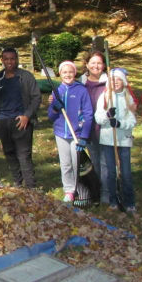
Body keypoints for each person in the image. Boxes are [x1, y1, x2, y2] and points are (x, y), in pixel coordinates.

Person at [0, 48, 42, 188]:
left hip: (21, 121)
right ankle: (17, 183)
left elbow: (36, 97)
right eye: (6, 59)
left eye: (12, 58)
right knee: (9, 153)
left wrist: (27, 115)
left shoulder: (25, 77)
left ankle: (31, 187)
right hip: (2, 121)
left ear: (17, 59)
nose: (9, 62)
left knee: (23, 155)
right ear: (2, 60)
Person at [47, 60, 94, 203]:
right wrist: (54, 107)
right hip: (61, 133)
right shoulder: (57, 91)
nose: (68, 75)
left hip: (77, 134)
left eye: (70, 72)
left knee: (76, 163)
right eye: (64, 72)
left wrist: (84, 135)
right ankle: (69, 190)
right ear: (60, 74)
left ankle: (79, 188)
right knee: (65, 164)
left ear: (75, 73)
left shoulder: (81, 90)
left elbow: (88, 113)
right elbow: (51, 116)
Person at [94, 68, 137, 212]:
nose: (115, 82)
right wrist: (107, 115)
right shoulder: (105, 97)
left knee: (125, 173)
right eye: (112, 80)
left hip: (123, 139)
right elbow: (98, 118)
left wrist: (120, 124)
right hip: (108, 140)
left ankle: (129, 201)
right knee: (111, 172)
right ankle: (113, 199)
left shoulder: (128, 97)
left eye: (118, 79)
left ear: (123, 81)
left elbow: (132, 120)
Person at [81, 51, 108, 202]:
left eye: (99, 63)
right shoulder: (81, 82)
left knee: (106, 163)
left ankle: (106, 193)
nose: (96, 66)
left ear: (104, 65)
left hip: (105, 130)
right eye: (92, 62)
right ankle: (97, 191)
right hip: (89, 129)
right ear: (87, 65)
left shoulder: (110, 82)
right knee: (95, 162)